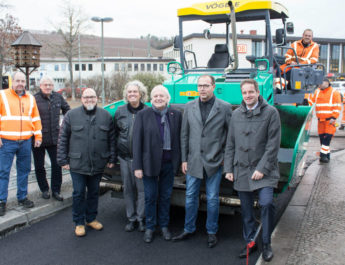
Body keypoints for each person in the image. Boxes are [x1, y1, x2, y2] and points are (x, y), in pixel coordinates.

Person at [224, 79, 281, 262]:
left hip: (265, 169)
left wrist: (262, 168)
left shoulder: (271, 113)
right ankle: (250, 241)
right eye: (244, 93)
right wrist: (228, 168)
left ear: (257, 92)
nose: (247, 95)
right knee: (246, 210)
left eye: (251, 92)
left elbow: (273, 145)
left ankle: (266, 244)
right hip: (241, 170)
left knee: (266, 203)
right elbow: (230, 144)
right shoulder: (236, 114)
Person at [172, 75, 232, 248]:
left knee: (213, 198)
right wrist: (184, 159)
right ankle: (188, 228)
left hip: (215, 161)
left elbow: (230, 136)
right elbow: (184, 135)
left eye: (206, 85)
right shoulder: (189, 106)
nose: (202, 89)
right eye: (200, 86)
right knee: (190, 196)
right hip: (194, 161)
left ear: (213, 86)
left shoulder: (225, 107)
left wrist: (224, 158)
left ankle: (211, 231)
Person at [57, 88, 115, 237]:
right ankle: (79, 222)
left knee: (94, 192)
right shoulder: (71, 115)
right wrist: (62, 159)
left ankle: (91, 218)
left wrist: (111, 158)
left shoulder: (106, 116)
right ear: (82, 99)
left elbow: (111, 140)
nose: (89, 99)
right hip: (77, 163)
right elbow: (63, 138)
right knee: (78, 193)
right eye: (86, 97)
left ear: (97, 98)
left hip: (98, 163)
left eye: (92, 97)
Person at [132, 85, 182, 243]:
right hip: (148, 164)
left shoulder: (176, 114)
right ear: (151, 99)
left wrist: (179, 162)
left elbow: (180, 140)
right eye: (155, 96)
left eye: (162, 96)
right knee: (150, 196)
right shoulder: (143, 115)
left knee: (166, 196)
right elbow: (137, 142)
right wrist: (137, 166)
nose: (159, 98)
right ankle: (150, 227)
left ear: (168, 98)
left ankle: (164, 226)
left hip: (168, 163)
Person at [0, 71, 42, 216]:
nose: (20, 84)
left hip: (25, 141)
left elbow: (35, 118)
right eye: (17, 81)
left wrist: (38, 136)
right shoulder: (2, 95)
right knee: (3, 172)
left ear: (26, 83)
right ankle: (1, 201)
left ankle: (22, 197)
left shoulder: (30, 98)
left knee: (24, 171)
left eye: (23, 81)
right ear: (12, 81)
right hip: (6, 141)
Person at [114, 80, 148, 232]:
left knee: (142, 190)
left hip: (140, 159)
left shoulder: (148, 111)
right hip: (124, 158)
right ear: (126, 95)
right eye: (129, 92)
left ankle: (141, 218)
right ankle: (131, 218)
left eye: (135, 91)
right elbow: (114, 134)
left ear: (141, 94)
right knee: (128, 189)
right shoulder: (120, 111)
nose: (132, 94)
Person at [32, 76, 70, 201]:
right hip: (38, 138)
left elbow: (67, 110)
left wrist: (66, 124)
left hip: (55, 138)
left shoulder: (58, 97)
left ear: (53, 86)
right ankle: (44, 189)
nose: (48, 87)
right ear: (40, 86)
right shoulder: (34, 99)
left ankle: (56, 190)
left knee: (57, 164)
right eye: (45, 85)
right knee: (39, 166)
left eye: (50, 84)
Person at [308, 77, 341, 163]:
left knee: (327, 138)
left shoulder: (334, 93)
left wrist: (334, 117)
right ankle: (327, 155)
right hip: (320, 121)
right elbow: (311, 101)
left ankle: (323, 156)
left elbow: (337, 106)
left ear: (326, 83)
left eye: (320, 83)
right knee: (322, 139)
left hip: (330, 121)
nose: (319, 85)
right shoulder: (317, 91)